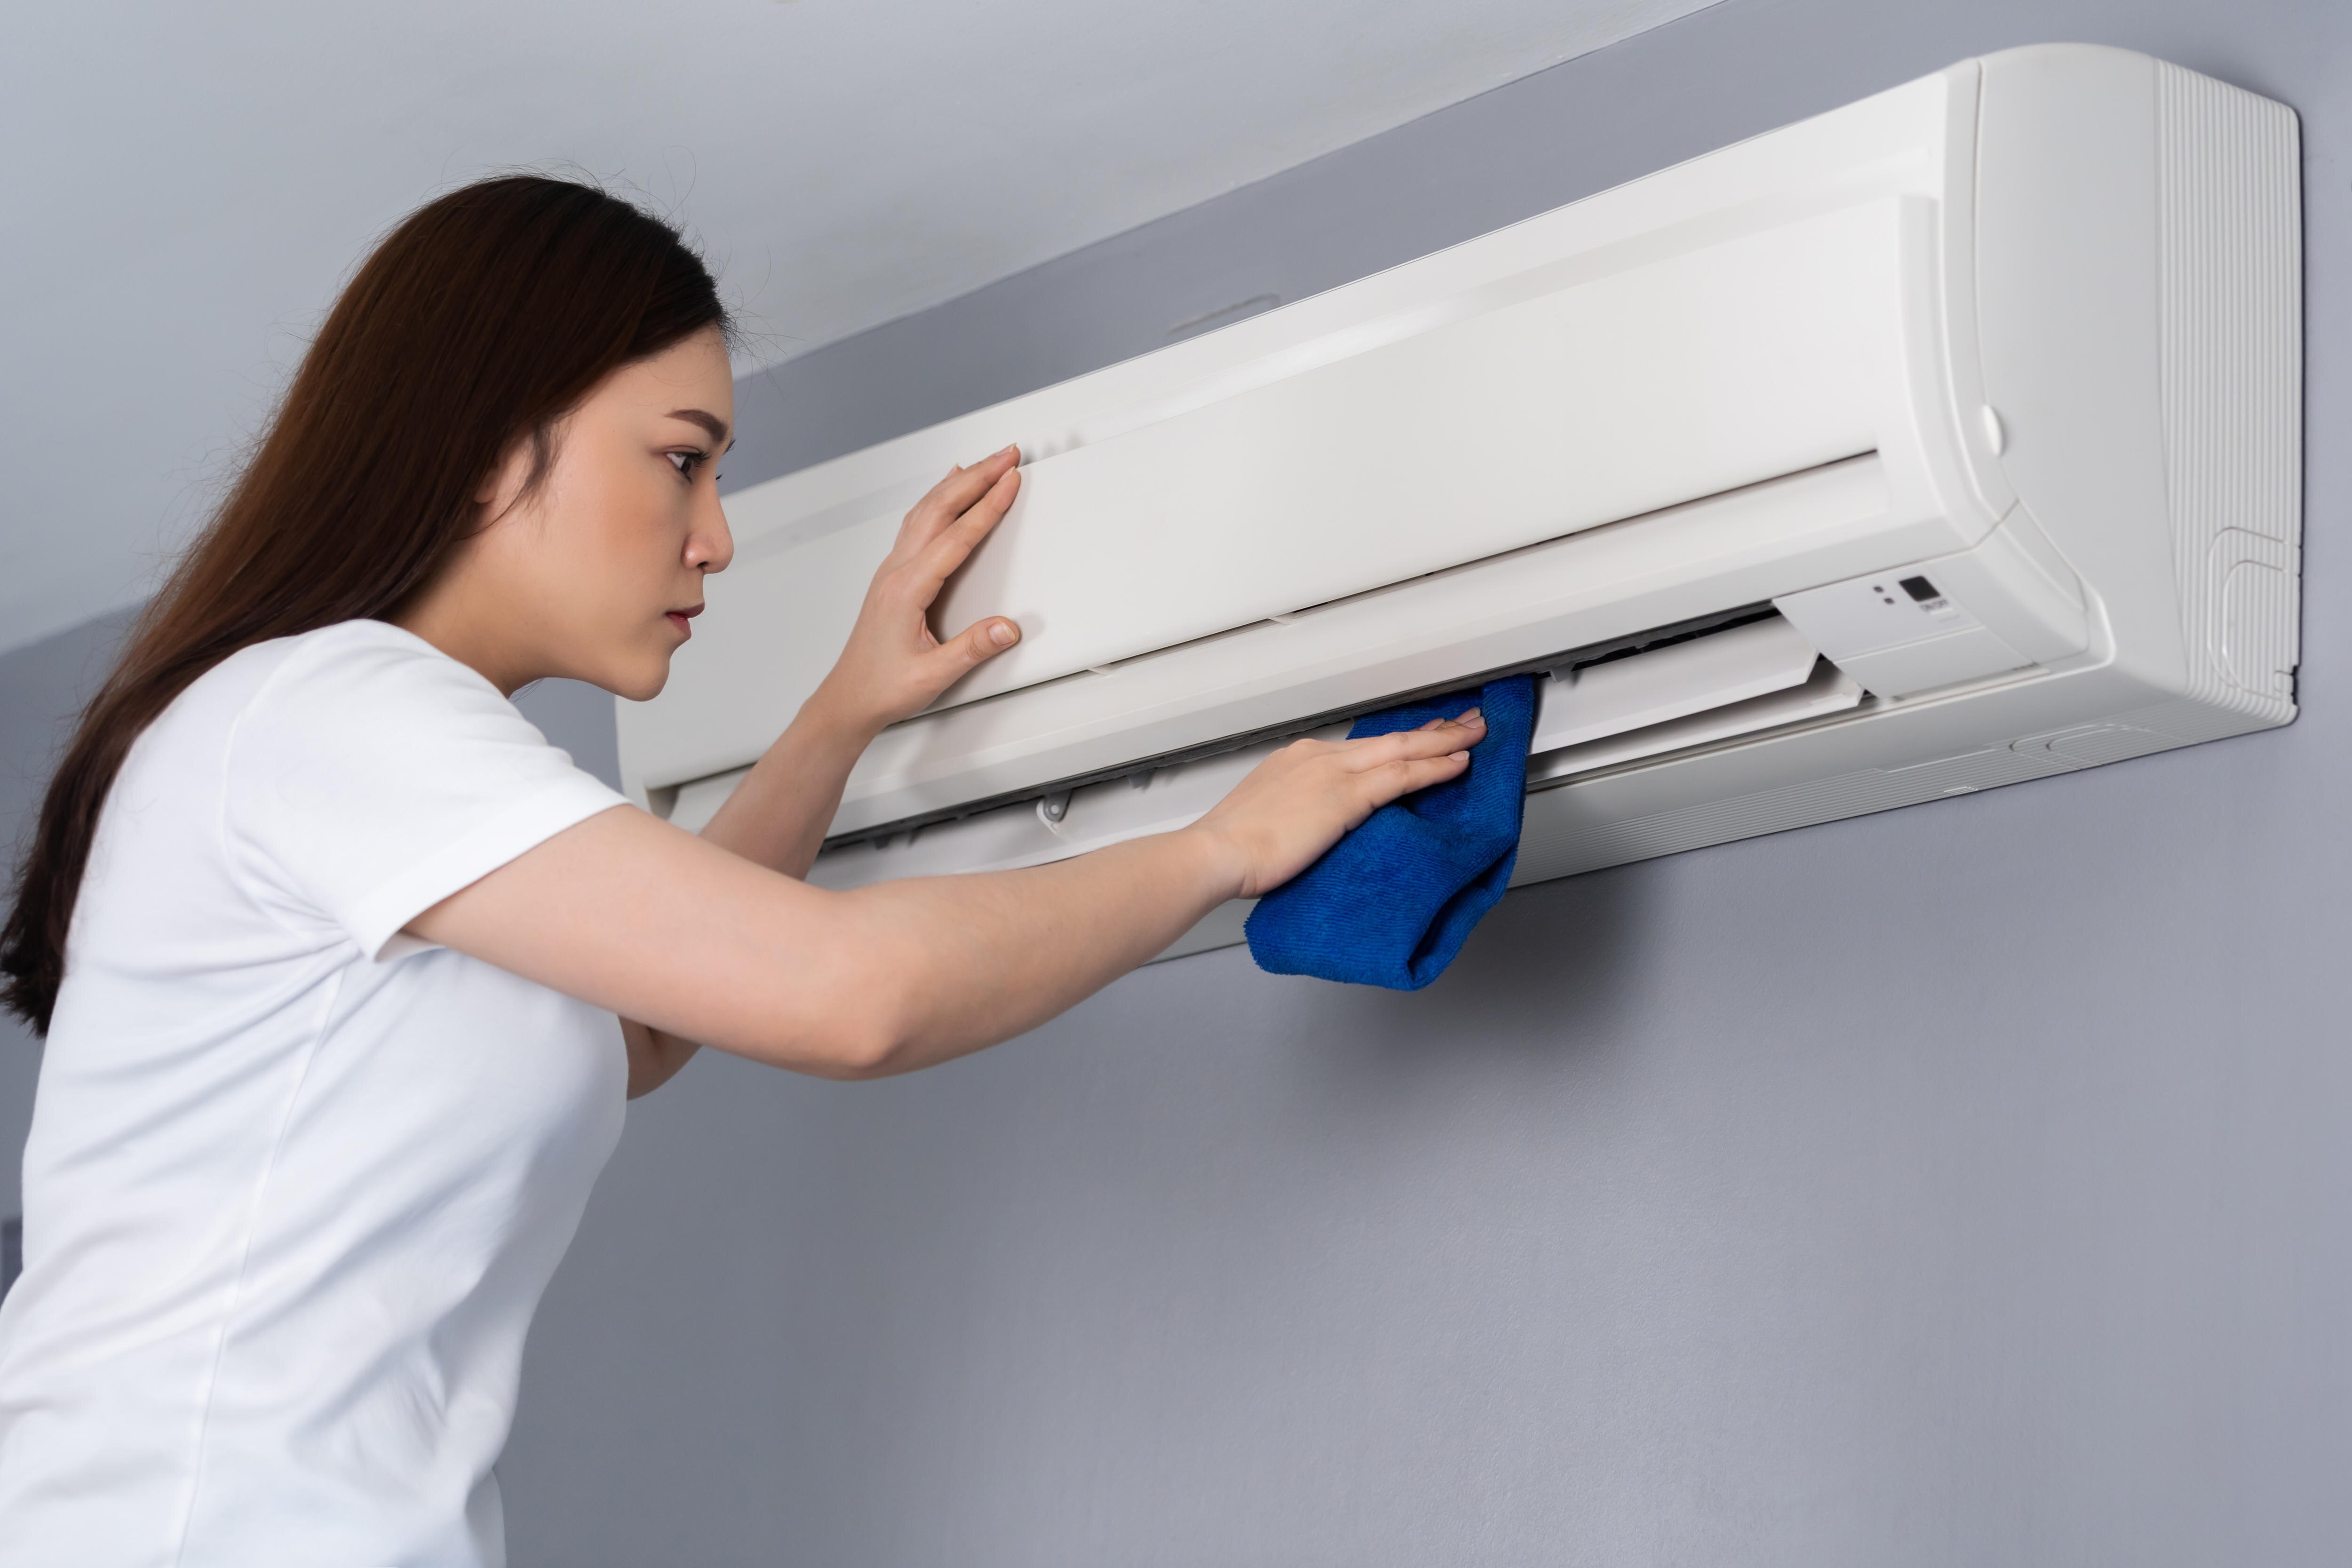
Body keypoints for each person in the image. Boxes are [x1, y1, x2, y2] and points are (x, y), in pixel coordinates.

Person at [0, 176, 1484, 1563]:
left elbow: (635, 1032)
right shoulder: (331, 712)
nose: (715, 539)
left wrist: (836, 718)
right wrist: (1220, 848)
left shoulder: (388, 774)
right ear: (483, 440)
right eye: (682, 461)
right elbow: (851, 996)